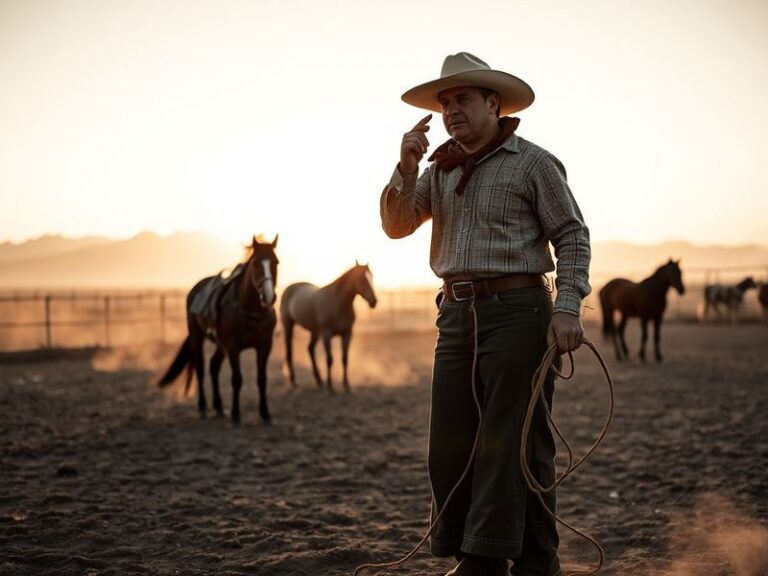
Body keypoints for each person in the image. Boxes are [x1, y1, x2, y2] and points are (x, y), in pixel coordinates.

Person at [379, 52, 591, 576]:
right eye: (445, 102)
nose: (451, 110)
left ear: (493, 104)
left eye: (463, 99)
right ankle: (525, 557)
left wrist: (567, 307)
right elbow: (397, 225)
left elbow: (572, 236)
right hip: (455, 314)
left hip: (518, 311)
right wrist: (405, 168)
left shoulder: (533, 163)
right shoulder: (439, 169)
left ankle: (488, 560)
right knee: (450, 441)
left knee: (510, 439)